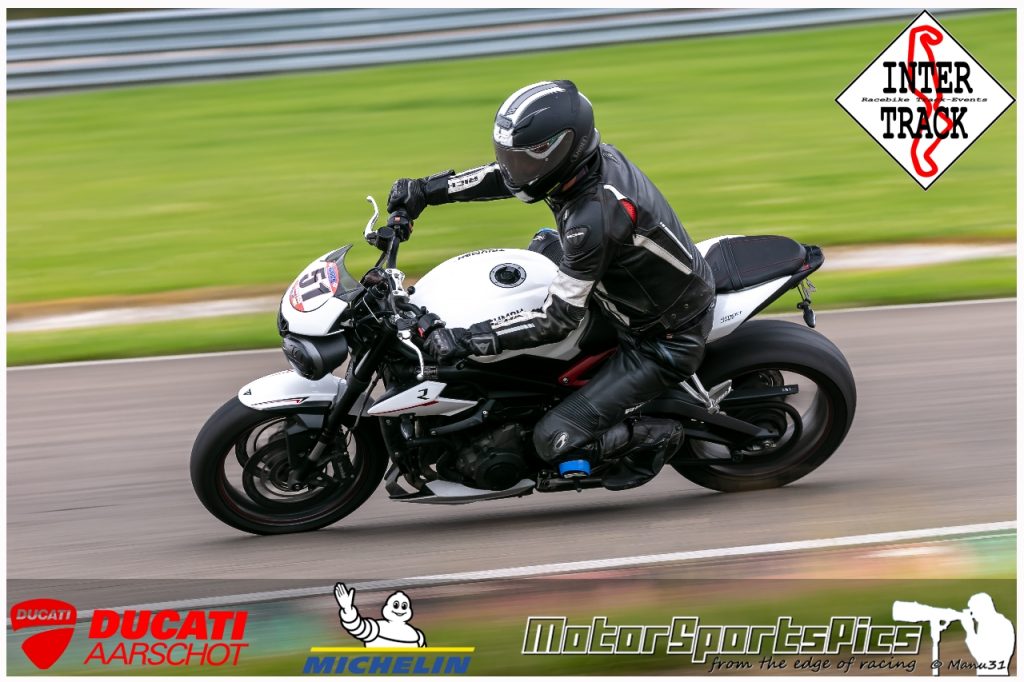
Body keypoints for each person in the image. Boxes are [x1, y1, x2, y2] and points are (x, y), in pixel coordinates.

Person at [387, 80, 716, 490]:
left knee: (551, 439)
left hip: (660, 338)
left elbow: (557, 320)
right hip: (619, 285)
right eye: (510, 156)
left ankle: (655, 435)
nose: (514, 168)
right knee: (524, 263)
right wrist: (426, 191)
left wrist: (467, 339)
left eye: (524, 158)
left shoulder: (592, 218)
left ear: (563, 150)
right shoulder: (580, 167)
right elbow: (505, 178)